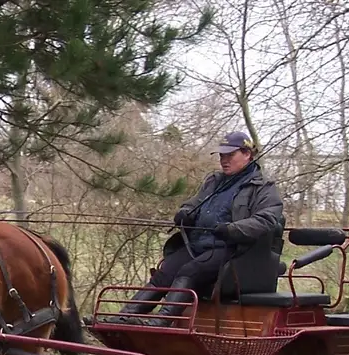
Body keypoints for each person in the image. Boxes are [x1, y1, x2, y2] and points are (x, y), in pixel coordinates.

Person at [113, 131, 285, 326]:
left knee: (189, 271)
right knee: (165, 271)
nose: (224, 160)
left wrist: (233, 229)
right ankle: (122, 318)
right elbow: (193, 203)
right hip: (198, 244)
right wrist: (185, 213)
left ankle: (161, 321)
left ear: (247, 154)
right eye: (221, 156)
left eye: (230, 155)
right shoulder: (214, 182)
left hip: (232, 250)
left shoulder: (263, 187)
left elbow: (267, 219)